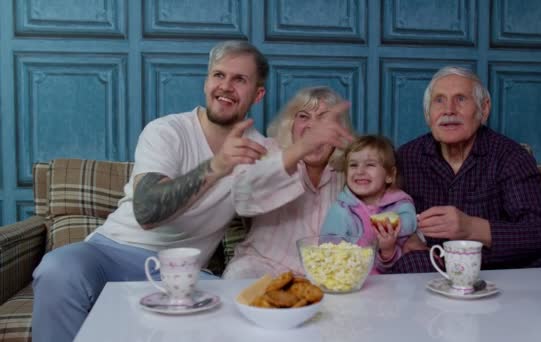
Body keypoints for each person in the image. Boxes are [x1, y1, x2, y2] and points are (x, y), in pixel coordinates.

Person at [32, 40, 273, 342]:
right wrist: (218, 165)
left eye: (240, 79)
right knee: (57, 269)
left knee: (228, 306)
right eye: (219, 75)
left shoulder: (260, 151)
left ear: (258, 94)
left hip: (179, 272)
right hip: (110, 252)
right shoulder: (167, 131)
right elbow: (147, 212)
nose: (225, 86)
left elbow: (296, 190)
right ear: (207, 81)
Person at [389, 66, 541, 274]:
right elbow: (379, 210)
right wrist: (406, 237)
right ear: (428, 114)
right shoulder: (406, 157)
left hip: (504, 268)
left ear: (484, 109)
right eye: (439, 100)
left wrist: (471, 227)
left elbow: (540, 233)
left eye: (461, 99)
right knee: (410, 264)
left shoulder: (511, 157)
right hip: (436, 266)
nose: (449, 110)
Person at [222, 86, 355, 279]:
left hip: (328, 273)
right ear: (290, 124)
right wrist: (302, 148)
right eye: (303, 116)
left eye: (324, 118)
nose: (313, 127)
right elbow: (243, 196)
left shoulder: (351, 168)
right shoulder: (268, 151)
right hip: (263, 265)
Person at [320, 135, 427, 273]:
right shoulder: (341, 210)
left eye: (370, 164)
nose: (360, 171)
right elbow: (327, 247)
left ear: (389, 175)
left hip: (393, 283)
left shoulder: (400, 203)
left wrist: (387, 246)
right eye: (353, 165)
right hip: (350, 280)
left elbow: (409, 223)